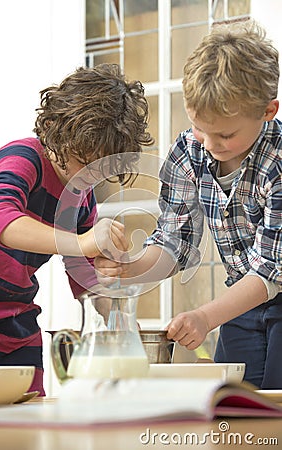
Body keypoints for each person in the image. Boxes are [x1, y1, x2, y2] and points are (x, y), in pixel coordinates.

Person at [95, 21, 282, 389]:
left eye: (226, 134)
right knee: (232, 412)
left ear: (267, 111)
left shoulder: (278, 163)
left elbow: (270, 271)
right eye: (199, 126)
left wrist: (204, 317)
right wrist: (130, 268)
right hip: (241, 304)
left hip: (271, 292)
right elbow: (173, 242)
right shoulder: (188, 152)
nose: (210, 142)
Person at [0, 63, 154, 395]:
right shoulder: (23, 159)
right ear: (56, 131)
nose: (87, 176)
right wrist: (83, 242)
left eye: (99, 168)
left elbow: (86, 284)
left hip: (15, 323)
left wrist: (122, 323)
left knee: (27, 416)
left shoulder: (81, 200)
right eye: (81, 160)